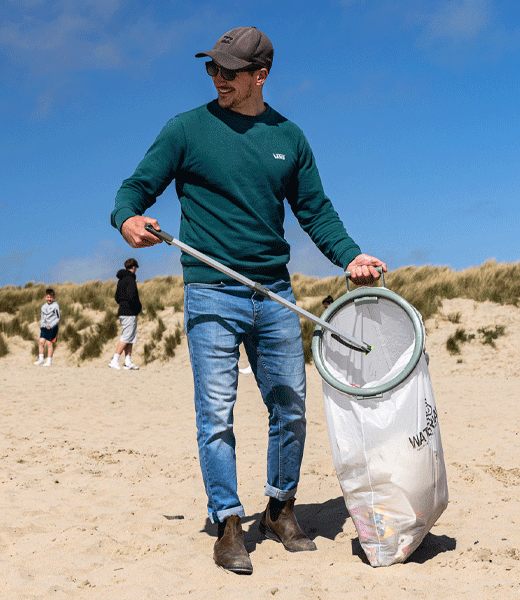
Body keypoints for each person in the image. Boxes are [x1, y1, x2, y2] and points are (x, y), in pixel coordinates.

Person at [111, 26, 386, 575]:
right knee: (216, 414)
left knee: (290, 408)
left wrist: (350, 257)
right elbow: (134, 188)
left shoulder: (290, 137)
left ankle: (280, 508)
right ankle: (228, 522)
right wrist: (128, 220)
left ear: (260, 75)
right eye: (211, 69)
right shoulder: (186, 129)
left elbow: (316, 212)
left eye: (229, 71)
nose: (218, 79)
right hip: (211, 291)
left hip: (275, 294)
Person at [109, 258, 142, 370]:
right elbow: (132, 296)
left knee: (131, 337)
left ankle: (127, 362)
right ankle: (115, 360)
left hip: (123, 311)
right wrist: (138, 307)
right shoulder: (130, 279)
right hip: (129, 312)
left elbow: (117, 297)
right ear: (134, 267)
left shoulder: (121, 280)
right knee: (126, 337)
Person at [34, 288, 60, 367]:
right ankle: (41, 360)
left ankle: (49, 361)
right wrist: (42, 326)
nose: (49, 299)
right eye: (48, 297)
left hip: (52, 327)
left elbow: (58, 318)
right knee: (41, 342)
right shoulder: (43, 307)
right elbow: (42, 318)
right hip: (44, 327)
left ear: (53, 297)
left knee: (49, 343)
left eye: (51, 297)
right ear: (45, 297)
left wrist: (51, 325)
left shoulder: (55, 305)